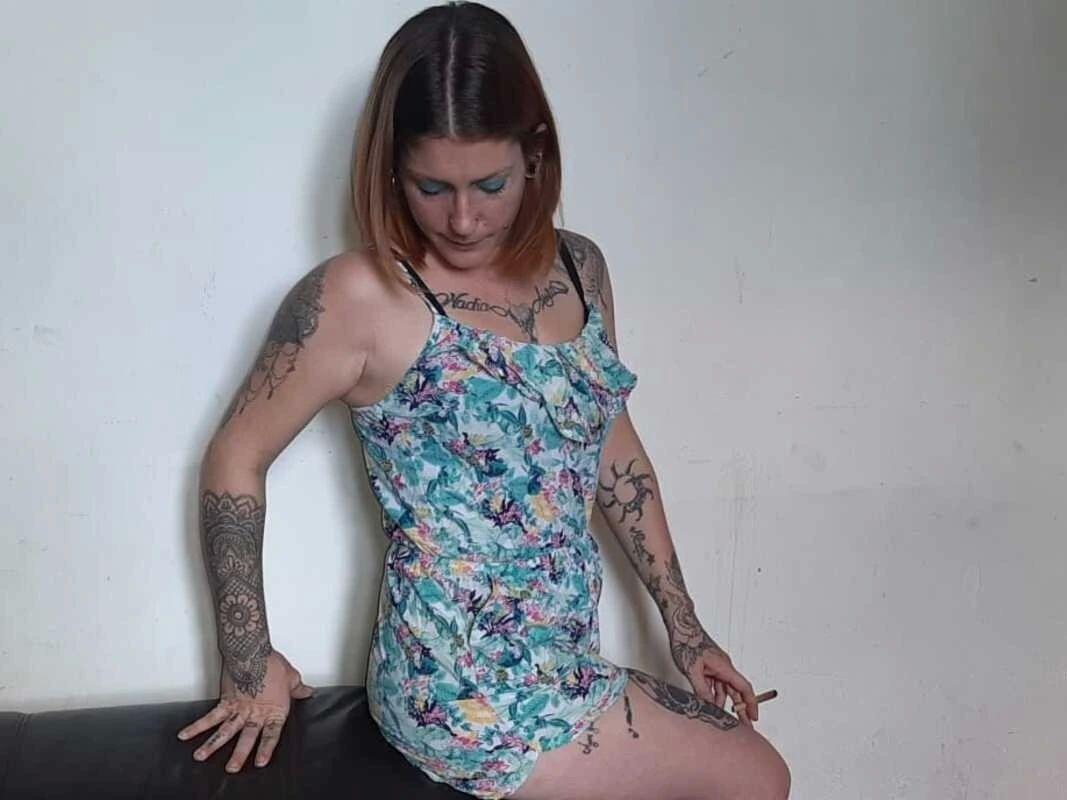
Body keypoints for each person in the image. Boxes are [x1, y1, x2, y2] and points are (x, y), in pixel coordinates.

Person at [176, 3, 790, 798]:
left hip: (564, 660)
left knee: (746, 764)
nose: (462, 219)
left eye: (489, 185)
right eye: (430, 186)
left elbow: (613, 450)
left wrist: (688, 629)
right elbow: (236, 455)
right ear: (391, 167)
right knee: (755, 778)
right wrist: (246, 659)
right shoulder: (359, 296)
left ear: (535, 155)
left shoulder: (580, 271)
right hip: (458, 686)